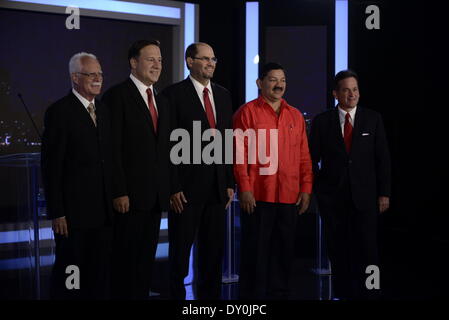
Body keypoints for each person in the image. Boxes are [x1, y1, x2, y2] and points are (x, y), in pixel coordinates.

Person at [233, 62, 313, 299]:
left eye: (283, 80)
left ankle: (280, 293)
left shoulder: (295, 115)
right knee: (255, 251)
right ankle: (251, 298)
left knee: (284, 251)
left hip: (289, 195)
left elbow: (304, 155)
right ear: (260, 83)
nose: (279, 85)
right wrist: (244, 189)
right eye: (273, 80)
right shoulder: (246, 113)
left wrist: (306, 189)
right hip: (258, 195)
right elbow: (239, 155)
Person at [161, 42, 234, 300]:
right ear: (189, 61)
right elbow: (167, 144)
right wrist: (173, 187)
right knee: (179, 255)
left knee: (213, 255)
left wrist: (228, 181)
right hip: (185, 191)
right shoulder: (172, 94)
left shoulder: (223, 95)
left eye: (213, 59)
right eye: (204, 59)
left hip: (216, 189)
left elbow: (226, 139)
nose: (211, 63)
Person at [309, 70, 391, 300]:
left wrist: (384, 193)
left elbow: (382, 159)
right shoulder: (322, 121)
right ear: (336, 93)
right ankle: (343, 295)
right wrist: (319, 189)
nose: (351, 94)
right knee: (338, 252)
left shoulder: (373, 119)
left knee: (368, 251)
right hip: (333, 200)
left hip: (366, 199)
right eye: (346, 90)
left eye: (354, 89)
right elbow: (310, 159)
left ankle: (371, 292)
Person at [102, 39, 170, 299]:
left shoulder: (161, 101)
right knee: (123, 264)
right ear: (133, 62)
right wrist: (119, 191)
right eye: (150, 59)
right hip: (127, 199)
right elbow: (112, 150)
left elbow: (163, 151)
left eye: (160, 60)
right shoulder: (116, 96)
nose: (157, 65)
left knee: (144, 263)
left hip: (153, 198)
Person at [41, 52, 113, 299]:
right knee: (70, 275)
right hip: (72, 216)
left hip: (103, 213)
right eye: (91, 74)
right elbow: (51, 167)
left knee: (98, 273)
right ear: (75, 77)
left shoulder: (103, 110)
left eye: (100, 74)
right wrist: (58, 212)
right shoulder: (59, 112)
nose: (97, 79)